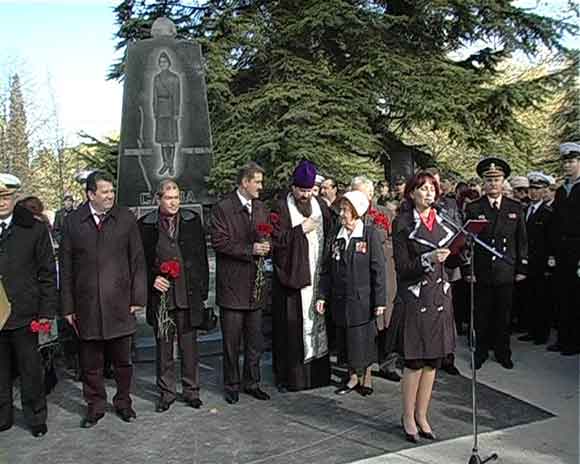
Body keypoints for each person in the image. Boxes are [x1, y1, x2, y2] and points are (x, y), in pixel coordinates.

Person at [60, 170, 147, 428]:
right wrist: (67, 306)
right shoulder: (74, 222)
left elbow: (138, 260)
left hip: (120, 304)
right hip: (86, 306)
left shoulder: (125, 218)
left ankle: (123, 402)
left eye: (112, 191)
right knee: (91, 364)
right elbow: (65, 267)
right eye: (105, 192)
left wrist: (138, 296)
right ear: (90, 195)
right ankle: (95, 405)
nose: (110, 196)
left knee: (123, 361)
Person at [391, 172, 461, 443]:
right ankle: (408, 416)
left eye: (432, 188)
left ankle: (422, 414)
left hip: (439, 296)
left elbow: (455, 259)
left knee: (433, 360)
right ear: (411, 194)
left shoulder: (444, 221)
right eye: (422, 189)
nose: (429, 193)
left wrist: (458, 253)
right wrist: (428, 258)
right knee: (415, 360)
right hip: (416, 297)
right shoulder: (403, 223)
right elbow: (403, 268)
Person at [138, 179, 209, 411]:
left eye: (177, 197)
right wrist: (152, 280)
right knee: (164, 346)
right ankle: (166, 393)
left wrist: (202, 291)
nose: (174, 202)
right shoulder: (146, 224)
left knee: (190, 346)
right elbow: (139, 263)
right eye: (169, 198)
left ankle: (191, 390)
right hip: (162, 298)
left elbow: (200, 258)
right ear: (158, 199)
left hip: (187, 294)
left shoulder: (191, 220)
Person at [0, 174, 57, 438]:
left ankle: (36, 417)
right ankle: (3, 416)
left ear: (14, 198)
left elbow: (47, 273)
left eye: (6, 196)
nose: (2, 202)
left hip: (25, 312)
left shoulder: (33, 229)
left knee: (30, 369)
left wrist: (46, 312)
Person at [210, 162, 271, 404]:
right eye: (257, 181)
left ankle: (252, 382)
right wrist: (250, 249)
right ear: (244, 182)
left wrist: (267, 246)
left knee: (254, 341)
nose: (261, 186)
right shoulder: (223, 209)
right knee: (232, 342)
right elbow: (220, 242)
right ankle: (231, 385)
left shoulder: (261, 208)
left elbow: (268, 237)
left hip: (255, 288)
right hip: (233, 287)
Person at [270, 160, 332, 392]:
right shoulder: (280, 207)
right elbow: (275, 241)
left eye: (308, 190)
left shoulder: (321, 207)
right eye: (301, 190)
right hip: (293, 280)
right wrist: (299, 232)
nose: (305, 195)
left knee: (318, 324)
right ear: (293, 188)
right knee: (291, 328)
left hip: (318, 276)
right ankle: (291, 378)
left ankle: (317, 376)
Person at [318, 190, 386, 396]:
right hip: (340, 299)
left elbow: (378, 270)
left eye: (346, 210)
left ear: (357, 212)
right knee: (346, 340)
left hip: (362, 300)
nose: (342, 214)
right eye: (341, 209)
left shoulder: (369, 234)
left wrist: (380, 301)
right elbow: (327, 269)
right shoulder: (336, 235)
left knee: (362, 340)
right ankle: (352, 377)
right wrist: (322, 295)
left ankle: (366, 377)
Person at [465, 158, 528, 370]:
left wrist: (521, 268)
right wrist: (469, 269)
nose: (493, 183)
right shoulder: (474, 208)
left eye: (497, 179)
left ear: (504, 182)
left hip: (506, 270)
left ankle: (503, 352)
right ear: (483, 182)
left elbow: (521, 240)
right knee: (481, 315)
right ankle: (480, 352)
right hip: (482, 271)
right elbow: (467, 242)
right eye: (489, 180)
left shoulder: (515, 207)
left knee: (504, 315)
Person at [350, 176, 401, 382]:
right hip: (359, 276)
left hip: (384, 274)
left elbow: (393, 241)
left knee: (386, 321)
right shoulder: (349, 215)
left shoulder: (384, 214)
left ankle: (388, 363)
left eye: (360, 193)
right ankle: (361, 366)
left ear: (370, 195)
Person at [546, 142, 580, 356]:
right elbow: (555, 224)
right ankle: (563, 338)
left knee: (576, 297)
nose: (567, 166)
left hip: (578, 247)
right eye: (565, 162)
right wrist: (552, 252)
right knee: (562, 296)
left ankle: (575, 342)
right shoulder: (561, 191)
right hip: (561, 249)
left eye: (572, 161)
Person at [517, 172, 552, 345]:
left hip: (540, 260)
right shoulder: (525, 210)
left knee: (541, 298)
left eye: (537, 189)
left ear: (544, 191)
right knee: (529, 296)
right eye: (531, 188)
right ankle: (531, 329)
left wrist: (549, 262)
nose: (533, 192)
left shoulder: (547, 212)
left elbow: (550, 239)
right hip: (527, 260)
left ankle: (541, 333)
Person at [153, 51, 181, 176]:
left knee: (171, 140)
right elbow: (154, 96)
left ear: (169, 63)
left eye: (164, 61)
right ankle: (165, 163)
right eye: (160, 62)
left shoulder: (174, 78)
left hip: (170, 109)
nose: (162, 64)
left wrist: (176, 111)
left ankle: (171, 165)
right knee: (163, 140)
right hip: (160, 110)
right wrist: (155, 110)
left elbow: (177, 95)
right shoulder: (156, 78)